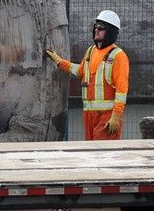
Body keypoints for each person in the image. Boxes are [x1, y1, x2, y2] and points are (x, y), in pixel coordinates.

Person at [46, 9, 130, 140]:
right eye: (95, 27)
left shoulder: (118, 56)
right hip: (88, 116)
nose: (96, 30)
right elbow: (80, 71)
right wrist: (59, 61)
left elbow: (122, 90)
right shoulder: (91, 51)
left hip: (106, 117)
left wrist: (116, 116)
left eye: (101, 28)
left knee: (101, 155)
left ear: (111, 32)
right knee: (91, 153)